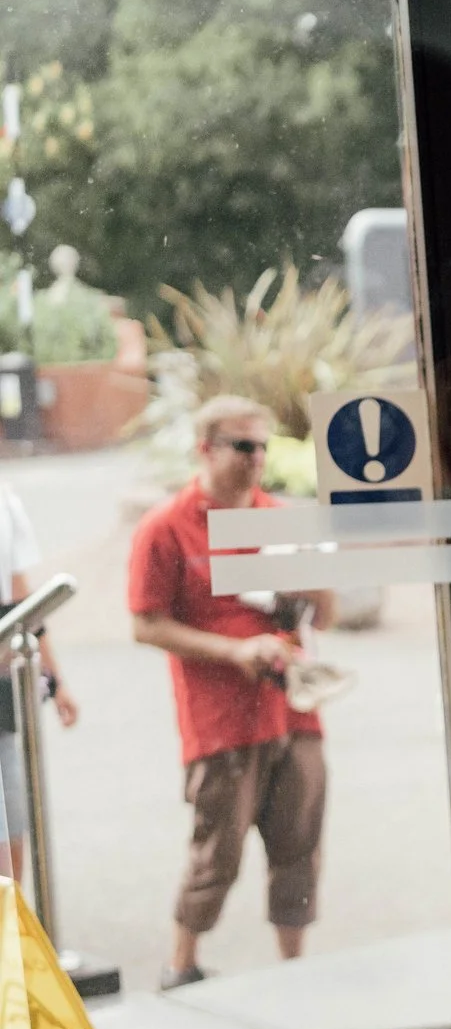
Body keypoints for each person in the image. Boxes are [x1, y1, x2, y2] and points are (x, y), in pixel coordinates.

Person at [128, 395, 335, 990]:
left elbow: (325, 614)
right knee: (216, 855)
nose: (257, 457)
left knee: (299, 847)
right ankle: (180, 966)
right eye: (243, 445)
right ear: (206, 448)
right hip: (220, 720)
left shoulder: (279, 518)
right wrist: (235, 652)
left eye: (264, 445)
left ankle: (294, 971)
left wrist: (319, 578)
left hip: (294, 709)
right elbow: (145, 623)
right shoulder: (167, 526)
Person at [0, 483, 80, 883]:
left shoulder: (4, 500)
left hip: (2, 687)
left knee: (12, 815)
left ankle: (12, 930)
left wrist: (54, 677)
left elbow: (21, 600)